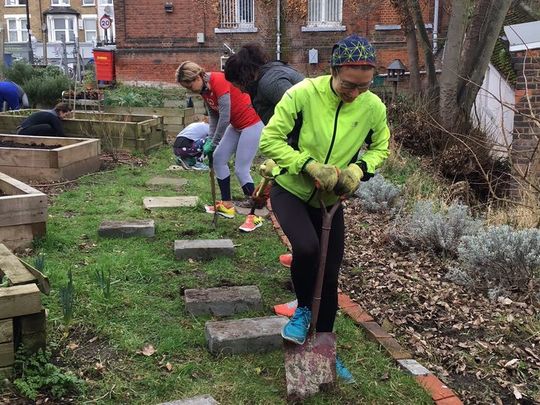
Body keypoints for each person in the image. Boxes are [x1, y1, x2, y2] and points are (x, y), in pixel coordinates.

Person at [259, 34, 390, 383]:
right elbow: (269, 139)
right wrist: (308, 165)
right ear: (333, 70)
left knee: (329, 275)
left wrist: (358, 170)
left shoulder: (372, 106)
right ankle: (302, 310)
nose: (355, 93)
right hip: (290, 189)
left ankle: (325, 352)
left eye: (364, 86)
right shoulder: (302, 94)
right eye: (349, 85)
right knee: (306, 248)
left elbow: (381, 147)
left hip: (330, 201)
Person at [224, 43, 305, 233]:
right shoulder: (267, 77)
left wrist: (285, 159)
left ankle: (305, 251)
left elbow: (302, 114)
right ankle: (303, 249)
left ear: (243, 76)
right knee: (287, 194)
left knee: (286, 196)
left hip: (309, 146)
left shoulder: (270, 82)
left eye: (237, 85)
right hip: (297, 146)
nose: (240, 91)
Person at [175, 61, 263, 224]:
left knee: (241, 169)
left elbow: (224, 117)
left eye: (190, 86)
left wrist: (213, 142)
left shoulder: (219, 81)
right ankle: (227, 205)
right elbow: (214, 117)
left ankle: (255, 214)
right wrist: (210, 140)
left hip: (252, 124)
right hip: (236, 125)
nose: (190, 90)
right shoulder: (204, 90)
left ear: (198, 76)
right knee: (218, 159)